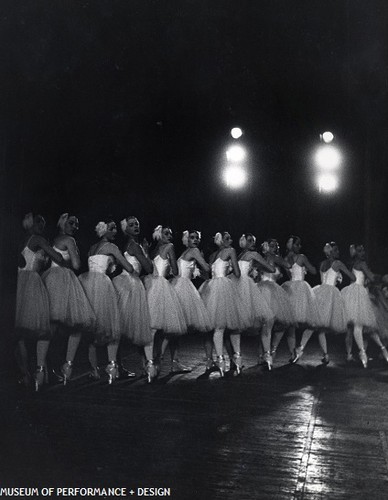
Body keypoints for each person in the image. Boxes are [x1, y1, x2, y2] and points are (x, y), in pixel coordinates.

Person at [78, 219, 135, 384]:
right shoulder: (112, 247)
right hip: (103, 286)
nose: (115, 231)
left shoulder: (92, 248)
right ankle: (112, 368)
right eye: (112, 228)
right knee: (111, 329)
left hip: (88, 285)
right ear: (104, 231)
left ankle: (94, 370)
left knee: (93, 330)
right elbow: (129, 268)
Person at [42, 213, 95, 385]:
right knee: (76, 327)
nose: (75, 227)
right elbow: (77, 265)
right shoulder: (69, 241)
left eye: (76, 224)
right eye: (72, 223)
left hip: (50, 280)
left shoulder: (53, 240)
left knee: (51, 328)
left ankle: (42, 369)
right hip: (64, 280)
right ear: (63, 223)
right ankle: (68, 366)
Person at [15, 213, 64, 390]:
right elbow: (58, 258)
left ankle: (26, 374)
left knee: (20, 332)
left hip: (19, 282)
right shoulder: (38, 239)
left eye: (43, 221)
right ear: (30, 223)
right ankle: (40, 371)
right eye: (38, 221)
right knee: (41, 330)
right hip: (32, 283)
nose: (42, 224)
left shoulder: (21, 239)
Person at [292, 242, 355, 364]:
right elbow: (353, 277)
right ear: (331, 252)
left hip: (320, 292)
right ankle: (300, 349)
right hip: (330, 295)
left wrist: (336, 276)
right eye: (336, 250)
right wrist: (340, 275)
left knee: (317, 326)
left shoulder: (322, 264)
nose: (338, 252)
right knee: (316, 326)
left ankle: (324, 355)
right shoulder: (338, 263)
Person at [199, 231, 249, 376]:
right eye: (227, 238)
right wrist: (232, 271)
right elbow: (238, 274)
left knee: (217, 328)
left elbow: (208, 273)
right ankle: (237, 360)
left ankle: (220, 361)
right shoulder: (231, 250)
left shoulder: (212, 255)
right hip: (224, 288)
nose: (230, 240)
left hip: (211, 288)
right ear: (221, 241)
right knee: (233, 327)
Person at [113, 216, 155, 382]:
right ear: (126, 229)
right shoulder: (135, 245)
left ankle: (116, 366)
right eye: (131, 225)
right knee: (139, 328)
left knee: (122, 328)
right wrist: (145, 251)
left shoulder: (127, 245)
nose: (136, 226)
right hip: (131, 284)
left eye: (137, 223)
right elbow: (149, 268)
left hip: (124, 283)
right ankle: (146, 365)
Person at [144, 225, 187, 375]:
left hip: (151, 285)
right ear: (159, 235)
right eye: (166, 233)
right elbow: (175, 271)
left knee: (152, 328)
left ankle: (150, 364)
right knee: (167, 329)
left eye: (170, 233)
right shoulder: (170, 247)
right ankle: (158, 359)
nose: (170, 236)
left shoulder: (153, 250)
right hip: (162, 286)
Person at [234, 234, 275, 370]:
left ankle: (238, 358)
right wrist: (258, 265)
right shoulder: (252, 254)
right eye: (249, 240)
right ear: (244, 242)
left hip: (238, 285)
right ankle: (267, 356)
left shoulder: (240, 255)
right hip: (244, 287)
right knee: (264, 321)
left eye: (254, 241)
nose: (252, 243)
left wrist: (255, 267)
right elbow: (272, 269)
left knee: (237, 323)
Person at [341, 244, 385, 368]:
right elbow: (371, 276)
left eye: (363, 250)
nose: (362, 253)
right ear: (356, 253)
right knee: (359, 326)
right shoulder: (361, 264)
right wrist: (383, 278)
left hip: (353, 292)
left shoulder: (354, 264)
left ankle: (350, 355)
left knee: (352, 328)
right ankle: (363, 353)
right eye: (360, 251)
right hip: (358, 293)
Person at [280, 235, 320, 363]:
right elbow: (313, 271)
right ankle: (300, 348)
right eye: (297, 244)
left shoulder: (285, 259)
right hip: (301, 289)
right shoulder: (301, 257)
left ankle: (293, 353)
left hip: (290, 288)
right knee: (312, 323)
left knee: (291, 325)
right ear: (294, 246)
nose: (300, 246)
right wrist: (306, 268)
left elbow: (289, 273)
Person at [257, 238, 295, 363]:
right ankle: (270, 352)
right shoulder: (274, 257)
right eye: (272, 246)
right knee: (274, 323)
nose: (275, 248)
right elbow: (288, 265)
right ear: (267, 247)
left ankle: (264, 354)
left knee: (265, 325)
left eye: (276, 245)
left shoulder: (261, 259)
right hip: (270, 291)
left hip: (260, 288)